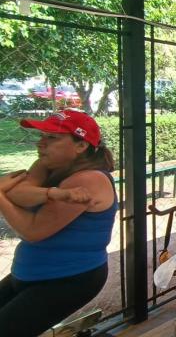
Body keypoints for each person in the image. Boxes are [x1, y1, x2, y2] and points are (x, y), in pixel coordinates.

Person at [0, 109, 117, 336]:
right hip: (28, 273)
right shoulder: (45, 166)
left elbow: (33, 230)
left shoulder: (89, 180)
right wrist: (53, 193)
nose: (41, 143)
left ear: (81, 146)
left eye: (52, 138)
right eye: (42, 136)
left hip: (68, 279)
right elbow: (19, 193)